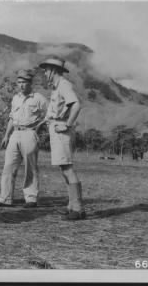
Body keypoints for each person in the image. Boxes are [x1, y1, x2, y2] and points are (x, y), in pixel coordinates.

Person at [39, 57, 86, 221]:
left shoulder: (64, 85)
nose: (44, 73)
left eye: (46, 70)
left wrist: (67, 124)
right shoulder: (56, 87)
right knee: (64, 169)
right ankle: (71, 205)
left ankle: (78, 208)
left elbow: (76, 104)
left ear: (53, 70)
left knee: (67, 169)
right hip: (56, 129)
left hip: (61, 131)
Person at [0, 69, 47, 208]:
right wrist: (6, 135)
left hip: (29, 133)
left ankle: (31, 198)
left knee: (30, 167)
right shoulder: (15, 98)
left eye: (24, 82)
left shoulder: (39, 98)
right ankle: (5, 198)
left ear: (30, 83)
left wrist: (39, 126)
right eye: (19, 82)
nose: (21, 85)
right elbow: (12, 118)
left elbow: (49, 114)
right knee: (9, 166)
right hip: (15, 133)